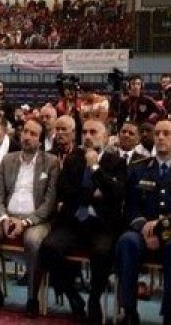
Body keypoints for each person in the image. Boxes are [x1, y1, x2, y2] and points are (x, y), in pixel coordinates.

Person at [40, 119, 127, 323]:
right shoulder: (73, 159)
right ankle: (73, 295)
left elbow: (116, 194)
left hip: (101, 225)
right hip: (73, 222)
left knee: (103, 253)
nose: (87, 136)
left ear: (105, 136)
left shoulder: (116, 162)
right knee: (49, 247)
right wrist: (94, 194)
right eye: (85, 132)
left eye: (93, 132)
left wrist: (95, 167)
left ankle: (94, 299)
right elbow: (64, 190)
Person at [0, 119, 59, 316]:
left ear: (40, 140)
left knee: (33, 240)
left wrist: (26, 222)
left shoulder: (51, 162)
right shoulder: (8, 160)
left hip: (36, 220)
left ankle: (32, 298)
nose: (27, 137)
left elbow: (49, 203)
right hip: (8, 215)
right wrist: (4, 218)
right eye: (25, 132)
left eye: (33, 134)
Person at [115, 119, 171, 325]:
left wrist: (162, 228)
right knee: (127, 241)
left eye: (166, 133)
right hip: (143, 232)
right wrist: (144, 228)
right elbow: (130, 207)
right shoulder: (138, 168)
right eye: (157, 133)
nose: (160, 137)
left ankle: (169, 314)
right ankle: (129, 310)